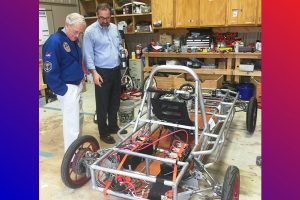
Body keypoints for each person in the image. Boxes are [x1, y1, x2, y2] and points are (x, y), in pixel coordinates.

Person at [83, 3, 127, 144]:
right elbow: (88, 55)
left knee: (115, 101)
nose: (105, 21)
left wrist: (122, 50)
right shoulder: (90, 32)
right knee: (103, 104)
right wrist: (94, 73)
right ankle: (103, 132)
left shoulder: (114, 28)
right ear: (97, 15)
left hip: (115, 69)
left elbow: (118, 44)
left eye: (107, 18)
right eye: (102, 18)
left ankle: (113, 126)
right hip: (101, 72)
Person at [42, 13, 86, 152]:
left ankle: (77, 149)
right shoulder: (54, 41)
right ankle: (71, 157)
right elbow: (49, 69)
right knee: (71, 125)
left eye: (80, 32)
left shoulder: (73, 39)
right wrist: (63, 91)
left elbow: (74, 61)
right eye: (75, 32)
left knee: (78, 120)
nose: (77, 35)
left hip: (77, 85)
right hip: (67, 87)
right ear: (67, 25)